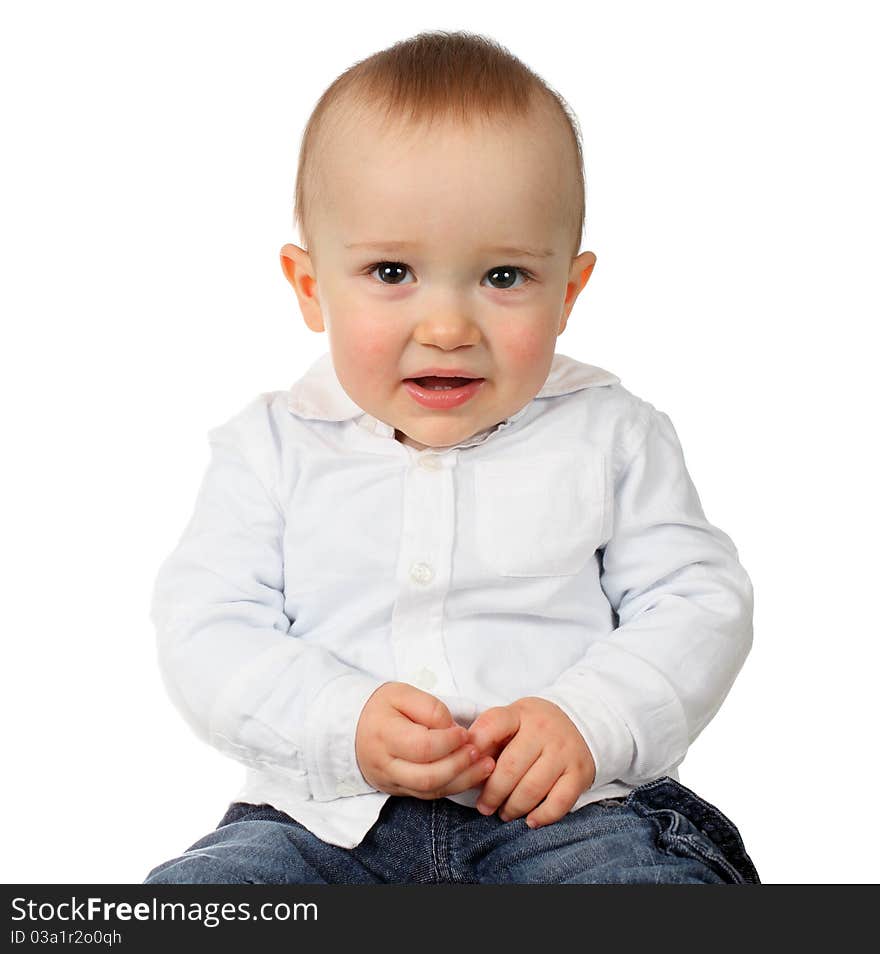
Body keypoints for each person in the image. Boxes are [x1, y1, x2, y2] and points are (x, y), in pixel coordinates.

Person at [144, 30, 759, 884]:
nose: (446, 327)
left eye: (503, 277)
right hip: (320, 822)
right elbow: (206, 628)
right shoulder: (272, 447)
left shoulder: (612, 433)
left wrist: (588, 717)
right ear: (310, 287)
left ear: (568, 292)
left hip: (566, 822)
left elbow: (697, 602)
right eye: (392, 270)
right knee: (199, 902)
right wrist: (336, 718)